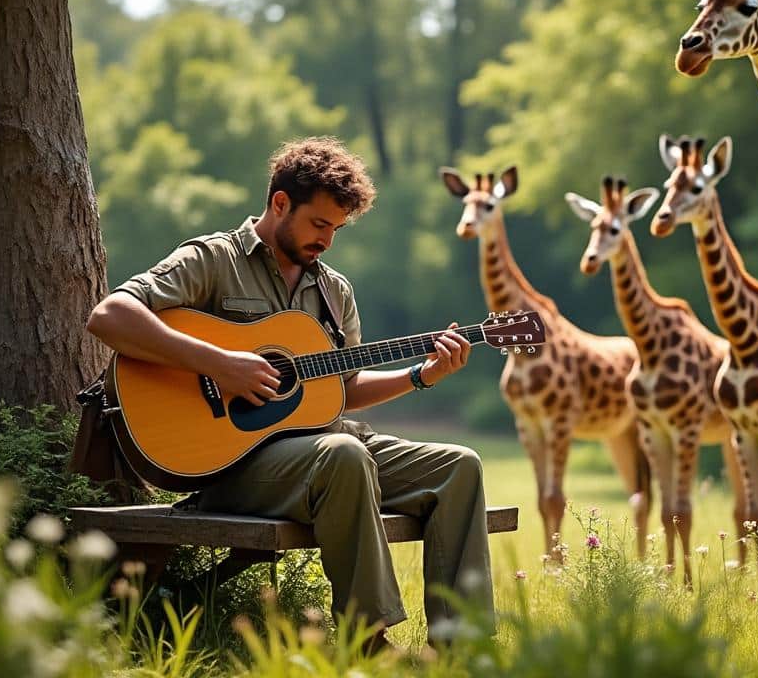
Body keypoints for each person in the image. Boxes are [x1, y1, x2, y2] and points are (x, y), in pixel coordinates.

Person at [85, 136, 493, 654]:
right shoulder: (214, 260)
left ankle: (463, 648)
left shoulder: (333, 291)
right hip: (232, 467)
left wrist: (421, 376)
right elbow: (110, 316)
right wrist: (220, 363)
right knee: (343, 456)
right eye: (319, 224)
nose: (327, 240)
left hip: (322, 451)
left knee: (460, 465)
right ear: (280, 203)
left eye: (337, 229)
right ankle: (367, 640)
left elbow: (341, 391)